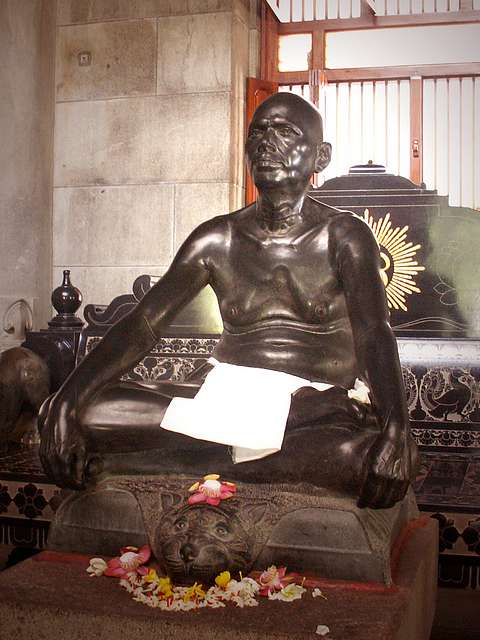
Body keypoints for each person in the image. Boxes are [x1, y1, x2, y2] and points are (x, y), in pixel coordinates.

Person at [39, 92, 417, 508]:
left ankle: (153, 462)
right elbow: (143, 324)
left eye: (286, 132)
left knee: (356, 458)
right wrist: (67, 399)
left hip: (315, 389)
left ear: (320, 156)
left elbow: (373, 333)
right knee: (83, 411)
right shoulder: (217, 238)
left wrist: (397, 427)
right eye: (258, 134)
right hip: (234, 399)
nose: (267, 143)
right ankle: (285, 425)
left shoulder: (344, 236)